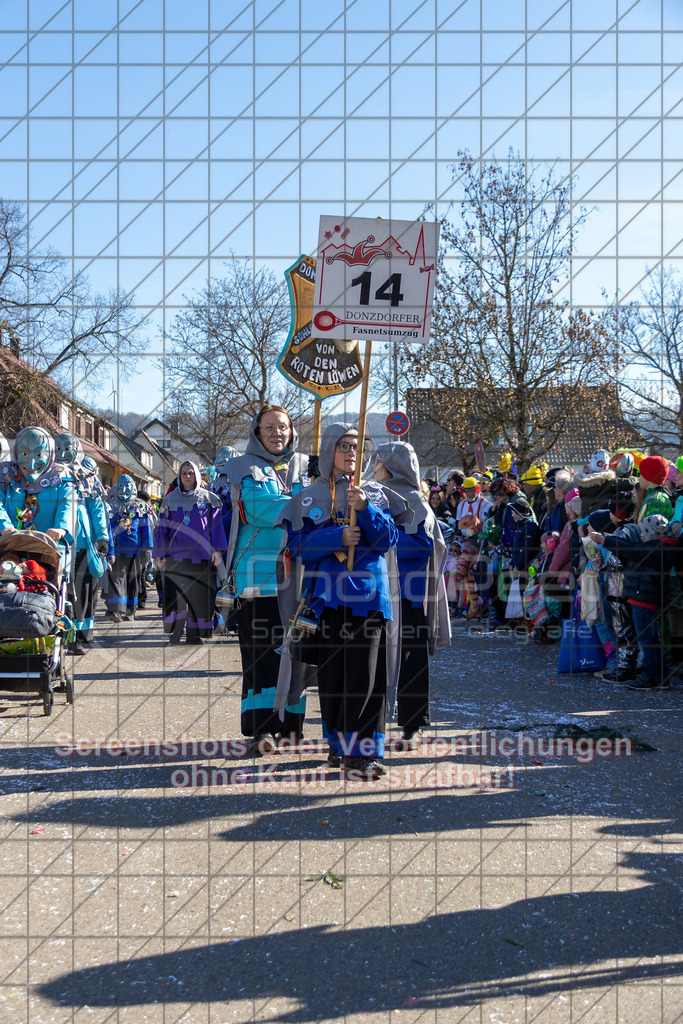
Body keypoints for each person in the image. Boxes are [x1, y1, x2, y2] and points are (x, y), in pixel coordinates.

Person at [276, 423, 398, 778]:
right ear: (329, 450)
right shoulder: (308, 496)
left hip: (368, 598)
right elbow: (297, 548)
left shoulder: (373, 493)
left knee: (366, 676)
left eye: (357, 447)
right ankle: (336, 746)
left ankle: (363, 753)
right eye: (344, 446)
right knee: (332, 677)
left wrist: (366, 510)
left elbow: (387, 539)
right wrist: (337, 536)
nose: (351, 454)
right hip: (326, 601)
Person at [222, 405, 308, 753]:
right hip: (256, 578)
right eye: (269, 427)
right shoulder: (242, 467)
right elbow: (258, 509)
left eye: (283, 427)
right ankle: (261, 729)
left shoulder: (307, 465)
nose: (277, 433)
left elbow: (323, 505)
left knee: (297, 654)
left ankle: (290, 726)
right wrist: (303, 504)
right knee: (259, 655)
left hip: (298, 577)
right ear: (256, 432)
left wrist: (304, 503)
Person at [373, 441, 451, 743]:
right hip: (379, 593)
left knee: (410, 660)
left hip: (407, 594)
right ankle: (375, 722)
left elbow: (423, 546)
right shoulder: (374, 495)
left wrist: (380, 542)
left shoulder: (416, 502)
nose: (375, 467)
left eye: (379, 462)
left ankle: (412, 722)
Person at [153, 462, 226, 644]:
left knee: (199, 596)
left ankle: (194, 633)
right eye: (184, 473)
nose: (187, 476)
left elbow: (215, 527)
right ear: (179, 475)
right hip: (176, 556)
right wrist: (159, 553)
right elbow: (162, 528)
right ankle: (176, 630)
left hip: (202, 557)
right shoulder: (170, 500)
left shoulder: (209, 499)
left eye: (191, 473)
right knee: (177, 595)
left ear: (197, 475)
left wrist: (217, 551)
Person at [54, 431, 109, 654]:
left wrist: (102, 537)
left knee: (82, 590)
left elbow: (97, 509)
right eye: (58, 449)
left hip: (84, 542)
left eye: (68, 449)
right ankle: (59, 635)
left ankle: (80, 635)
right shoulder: (47, 474)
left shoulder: (86, 476)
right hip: (56, 542)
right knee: (58, 590)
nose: (63, 454)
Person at [0, 428, 76, 556]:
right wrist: (4, 527)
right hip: (9, 550)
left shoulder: (61, 475)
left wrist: (61, 528)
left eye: (39, 455)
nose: (31, 464)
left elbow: (67, 504)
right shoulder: (5, 473)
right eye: (24, 454)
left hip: (48, 552)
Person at [106, 474, 154, 622]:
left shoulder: (140, 506)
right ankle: (116, 610)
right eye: (120, 485)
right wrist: (108, 547)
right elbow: (106, 527)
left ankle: (130, 610)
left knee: (133, 580)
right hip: (116, 549)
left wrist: (147, 548)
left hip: (135, 551)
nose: (124, 489)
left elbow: (146, 528)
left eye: (127, 486)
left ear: (133, 487)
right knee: (116, 579)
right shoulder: (111, 505)